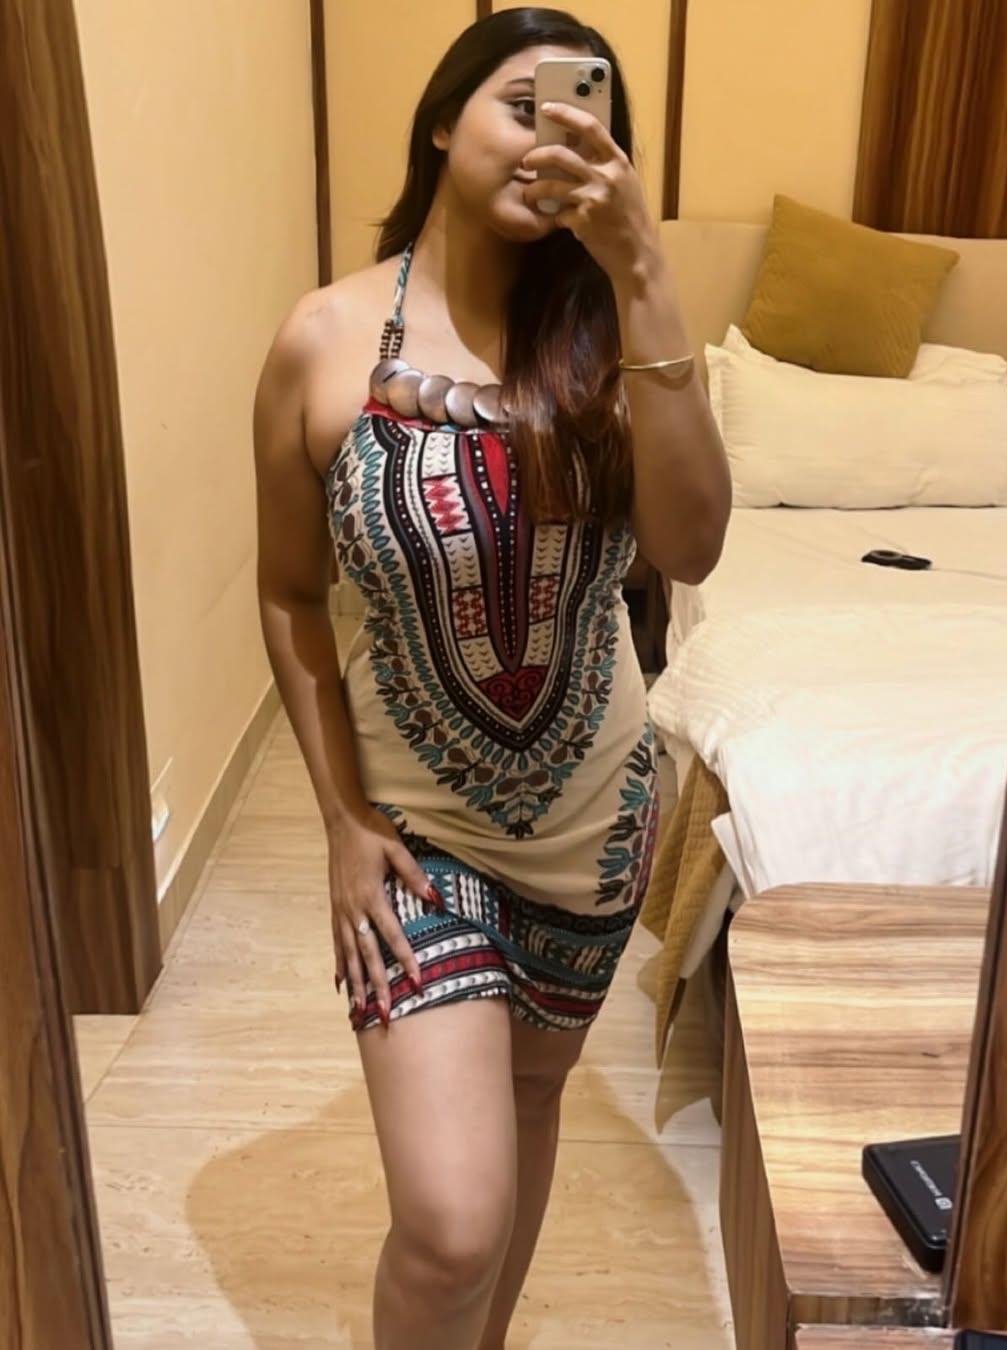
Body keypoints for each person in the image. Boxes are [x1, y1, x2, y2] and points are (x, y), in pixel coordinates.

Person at [253, 8, 730, 1347]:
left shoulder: (620, 334)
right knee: (453, 1218)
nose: (550, 138)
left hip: (598, 830)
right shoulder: (322, 339)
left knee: (526, 1109)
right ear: (438, 122)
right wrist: (340, 822)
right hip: (413, 836)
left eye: (585, 120)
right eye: (523, 106)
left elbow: (691, 546)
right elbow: (287, 594)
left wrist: (644, 273)